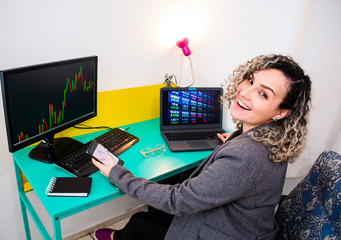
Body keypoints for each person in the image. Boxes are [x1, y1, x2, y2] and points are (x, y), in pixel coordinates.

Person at [92, 54, 312, 240]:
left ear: (281, 112)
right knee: (160, 201)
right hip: (249, 226)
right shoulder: (273, 139)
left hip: (229, 233)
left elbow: (176, 201)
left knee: (142, 220)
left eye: (263, 94)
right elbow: (248, 172)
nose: (245, 92)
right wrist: (235, 141)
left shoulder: (245, 156)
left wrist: (117, 174)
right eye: (251, 80)